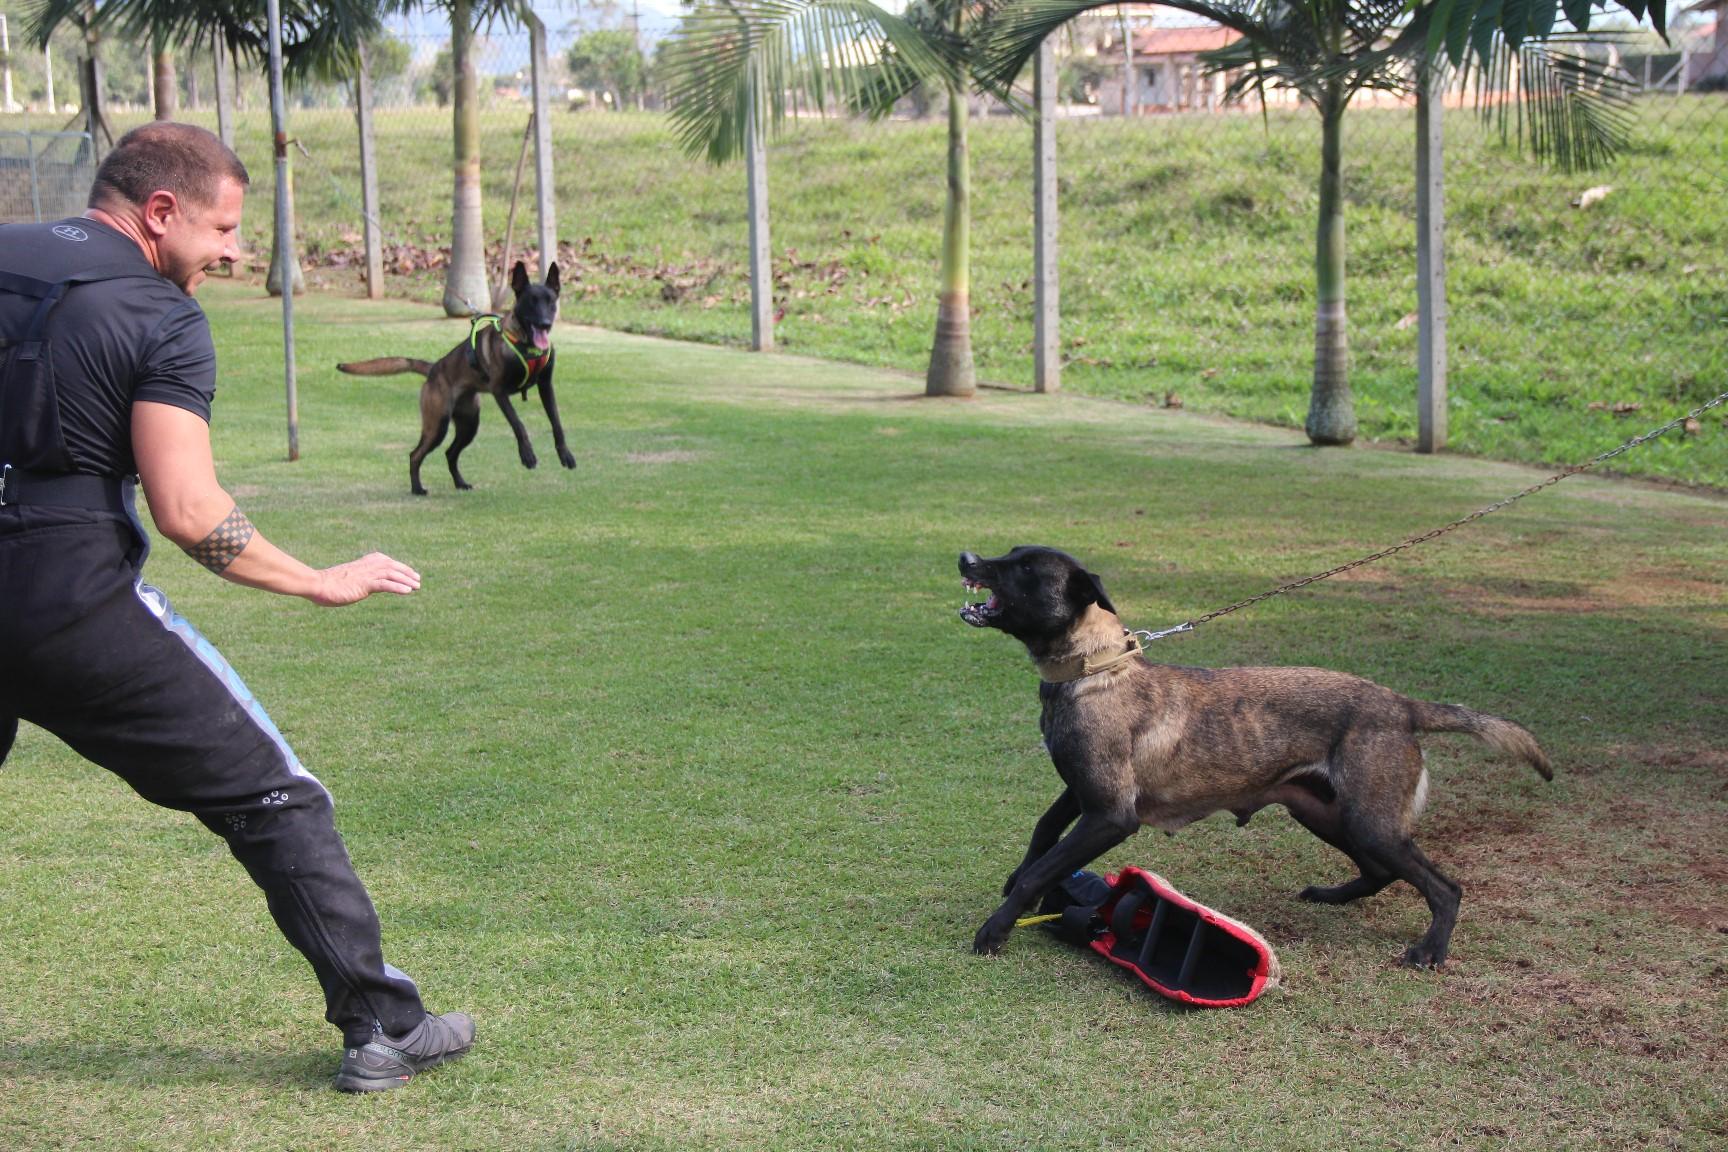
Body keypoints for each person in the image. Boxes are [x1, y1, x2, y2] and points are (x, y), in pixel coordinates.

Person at [0, 122, 471, 1093]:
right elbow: (189, 511)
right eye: (221, 229)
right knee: (276, 796)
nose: (230, 252)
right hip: (67, 600)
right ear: (160, 211)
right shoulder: (162, 317)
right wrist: (316, 577)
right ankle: (384, 1027)